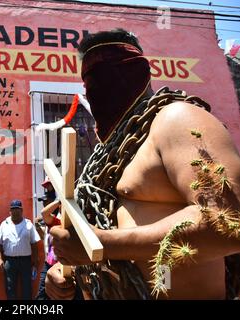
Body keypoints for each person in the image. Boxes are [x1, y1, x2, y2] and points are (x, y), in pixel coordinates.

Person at [45, 29, 240, 300]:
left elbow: (229, 222)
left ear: (140, 71)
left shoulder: (178, 119)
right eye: (92, 80)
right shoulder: (101, 159)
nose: (99, 88)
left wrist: (103, 243)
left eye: (112, 73)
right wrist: (64, 271)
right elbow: (93, 234)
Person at [0, 199, 41, 300]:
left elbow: (34, 244)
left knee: (27, 287)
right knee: (10, 287)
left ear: (21, 210)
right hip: (9, 261)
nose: (15, 211)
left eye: (17, 209)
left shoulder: (28, 224)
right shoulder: (4, 224)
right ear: (10, 211)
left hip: (26, 261)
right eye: (13, 209)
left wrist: (35, 260)